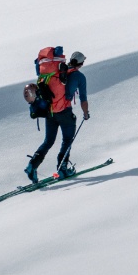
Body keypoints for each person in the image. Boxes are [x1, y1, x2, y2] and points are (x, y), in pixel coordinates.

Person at [25, 48, 90, 183]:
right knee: (67, 140)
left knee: (48, 141)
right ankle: (62, 168)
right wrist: (85, 113)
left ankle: (32, 165)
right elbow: (83, 99)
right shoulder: (79, 77)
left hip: (50, 112)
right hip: (65, 112)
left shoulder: (59, 71)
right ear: (80, 64)